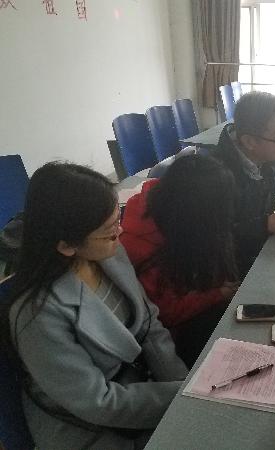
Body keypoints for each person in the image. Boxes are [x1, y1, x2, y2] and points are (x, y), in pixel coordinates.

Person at [2, 162, 188, 450]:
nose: (120, 231)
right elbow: (97, 402)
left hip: (138, 392)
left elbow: (149, 324)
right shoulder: (36, 314)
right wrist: (180, 397)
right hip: (89, 428)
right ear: (67, 245)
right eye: (109, 230)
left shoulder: (108, 252)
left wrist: (186, 385)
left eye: (116, 220)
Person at [120, 154, 238, 367]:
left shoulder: (178, 216)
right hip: (177, 337)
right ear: (196, 212)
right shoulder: (140, 245)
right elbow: (165, 314)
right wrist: (216, 294)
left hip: (198, 302)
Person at [212, 91, 275, 276]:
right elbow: (216, 238)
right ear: (249, 141)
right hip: (230, 272)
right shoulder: (216, 177)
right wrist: (265, 225)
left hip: (260, 253)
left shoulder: (268, 158)